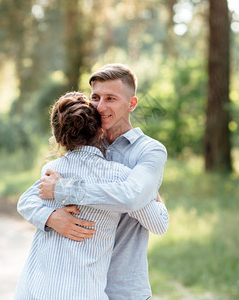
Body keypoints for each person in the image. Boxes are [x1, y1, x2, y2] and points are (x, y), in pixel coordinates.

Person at [28, 63, 169, 299]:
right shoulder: (82, 145)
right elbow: (30, 198)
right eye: (95, 97)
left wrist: (64, 189)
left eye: (111, 98)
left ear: (131, 104)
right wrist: (51, 217)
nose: (100, 107)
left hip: (125, 287)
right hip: (81, 285)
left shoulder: (149, 151)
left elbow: (137, 203)